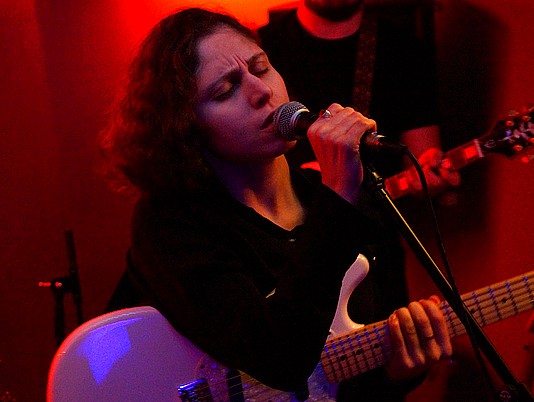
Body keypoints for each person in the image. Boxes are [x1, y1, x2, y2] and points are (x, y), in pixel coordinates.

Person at [101, 7, 452, 401]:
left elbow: (337, 378)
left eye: (261, 68)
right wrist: (338, 197)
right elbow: (281, 359)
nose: (261, 91)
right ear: (186, 129)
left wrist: (397, 372)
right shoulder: (173, 225)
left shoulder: (340, 198)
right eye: (226, 90)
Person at [258, 0, 460, 197]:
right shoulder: (258, 51)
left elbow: (421, 160)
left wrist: (430, 176)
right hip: (280, 213)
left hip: (371, 215)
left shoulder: (405, 52)